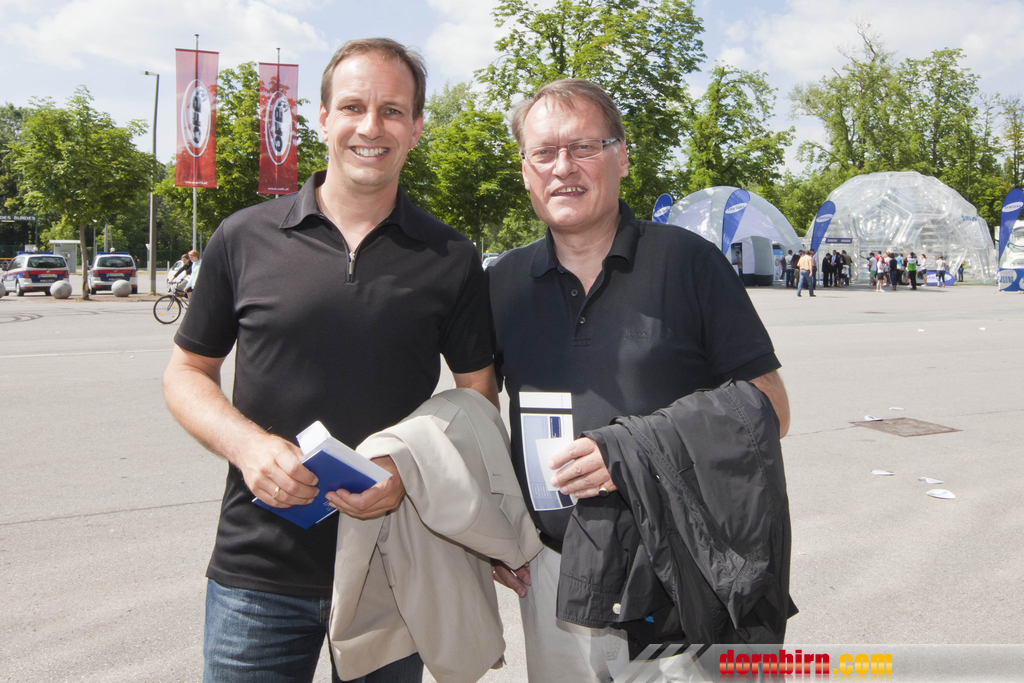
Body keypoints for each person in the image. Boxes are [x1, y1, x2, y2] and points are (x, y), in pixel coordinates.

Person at [162, 38, 497, 683]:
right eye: (352, 107)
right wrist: (248, 447)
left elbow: (477, 396)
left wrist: (411, 470)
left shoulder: (452, 258)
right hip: (257, 572)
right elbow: (186, 372)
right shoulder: (243, 236)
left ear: (416, 128)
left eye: (392, 111)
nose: (371, 127)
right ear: (321, 118)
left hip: (392, 567)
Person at [487, 78, 792, 682]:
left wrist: (630, 451)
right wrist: (496, 531)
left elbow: (771, 408)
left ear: (622, 157)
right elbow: (480, 410)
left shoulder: (688, 262)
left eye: (584, 146)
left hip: (680, 565)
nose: (563, 167)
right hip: (553, 576)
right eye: (543, 152)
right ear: (525, 171)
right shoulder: (502, 283)